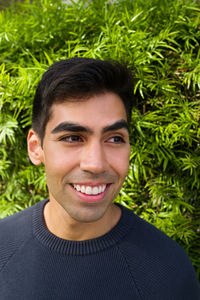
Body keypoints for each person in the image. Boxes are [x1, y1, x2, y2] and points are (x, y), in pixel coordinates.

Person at [0, 58, 199, 300]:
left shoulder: (167, 272)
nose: (95, 164)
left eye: (114, 138)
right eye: (73, 138)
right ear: (35, 148)